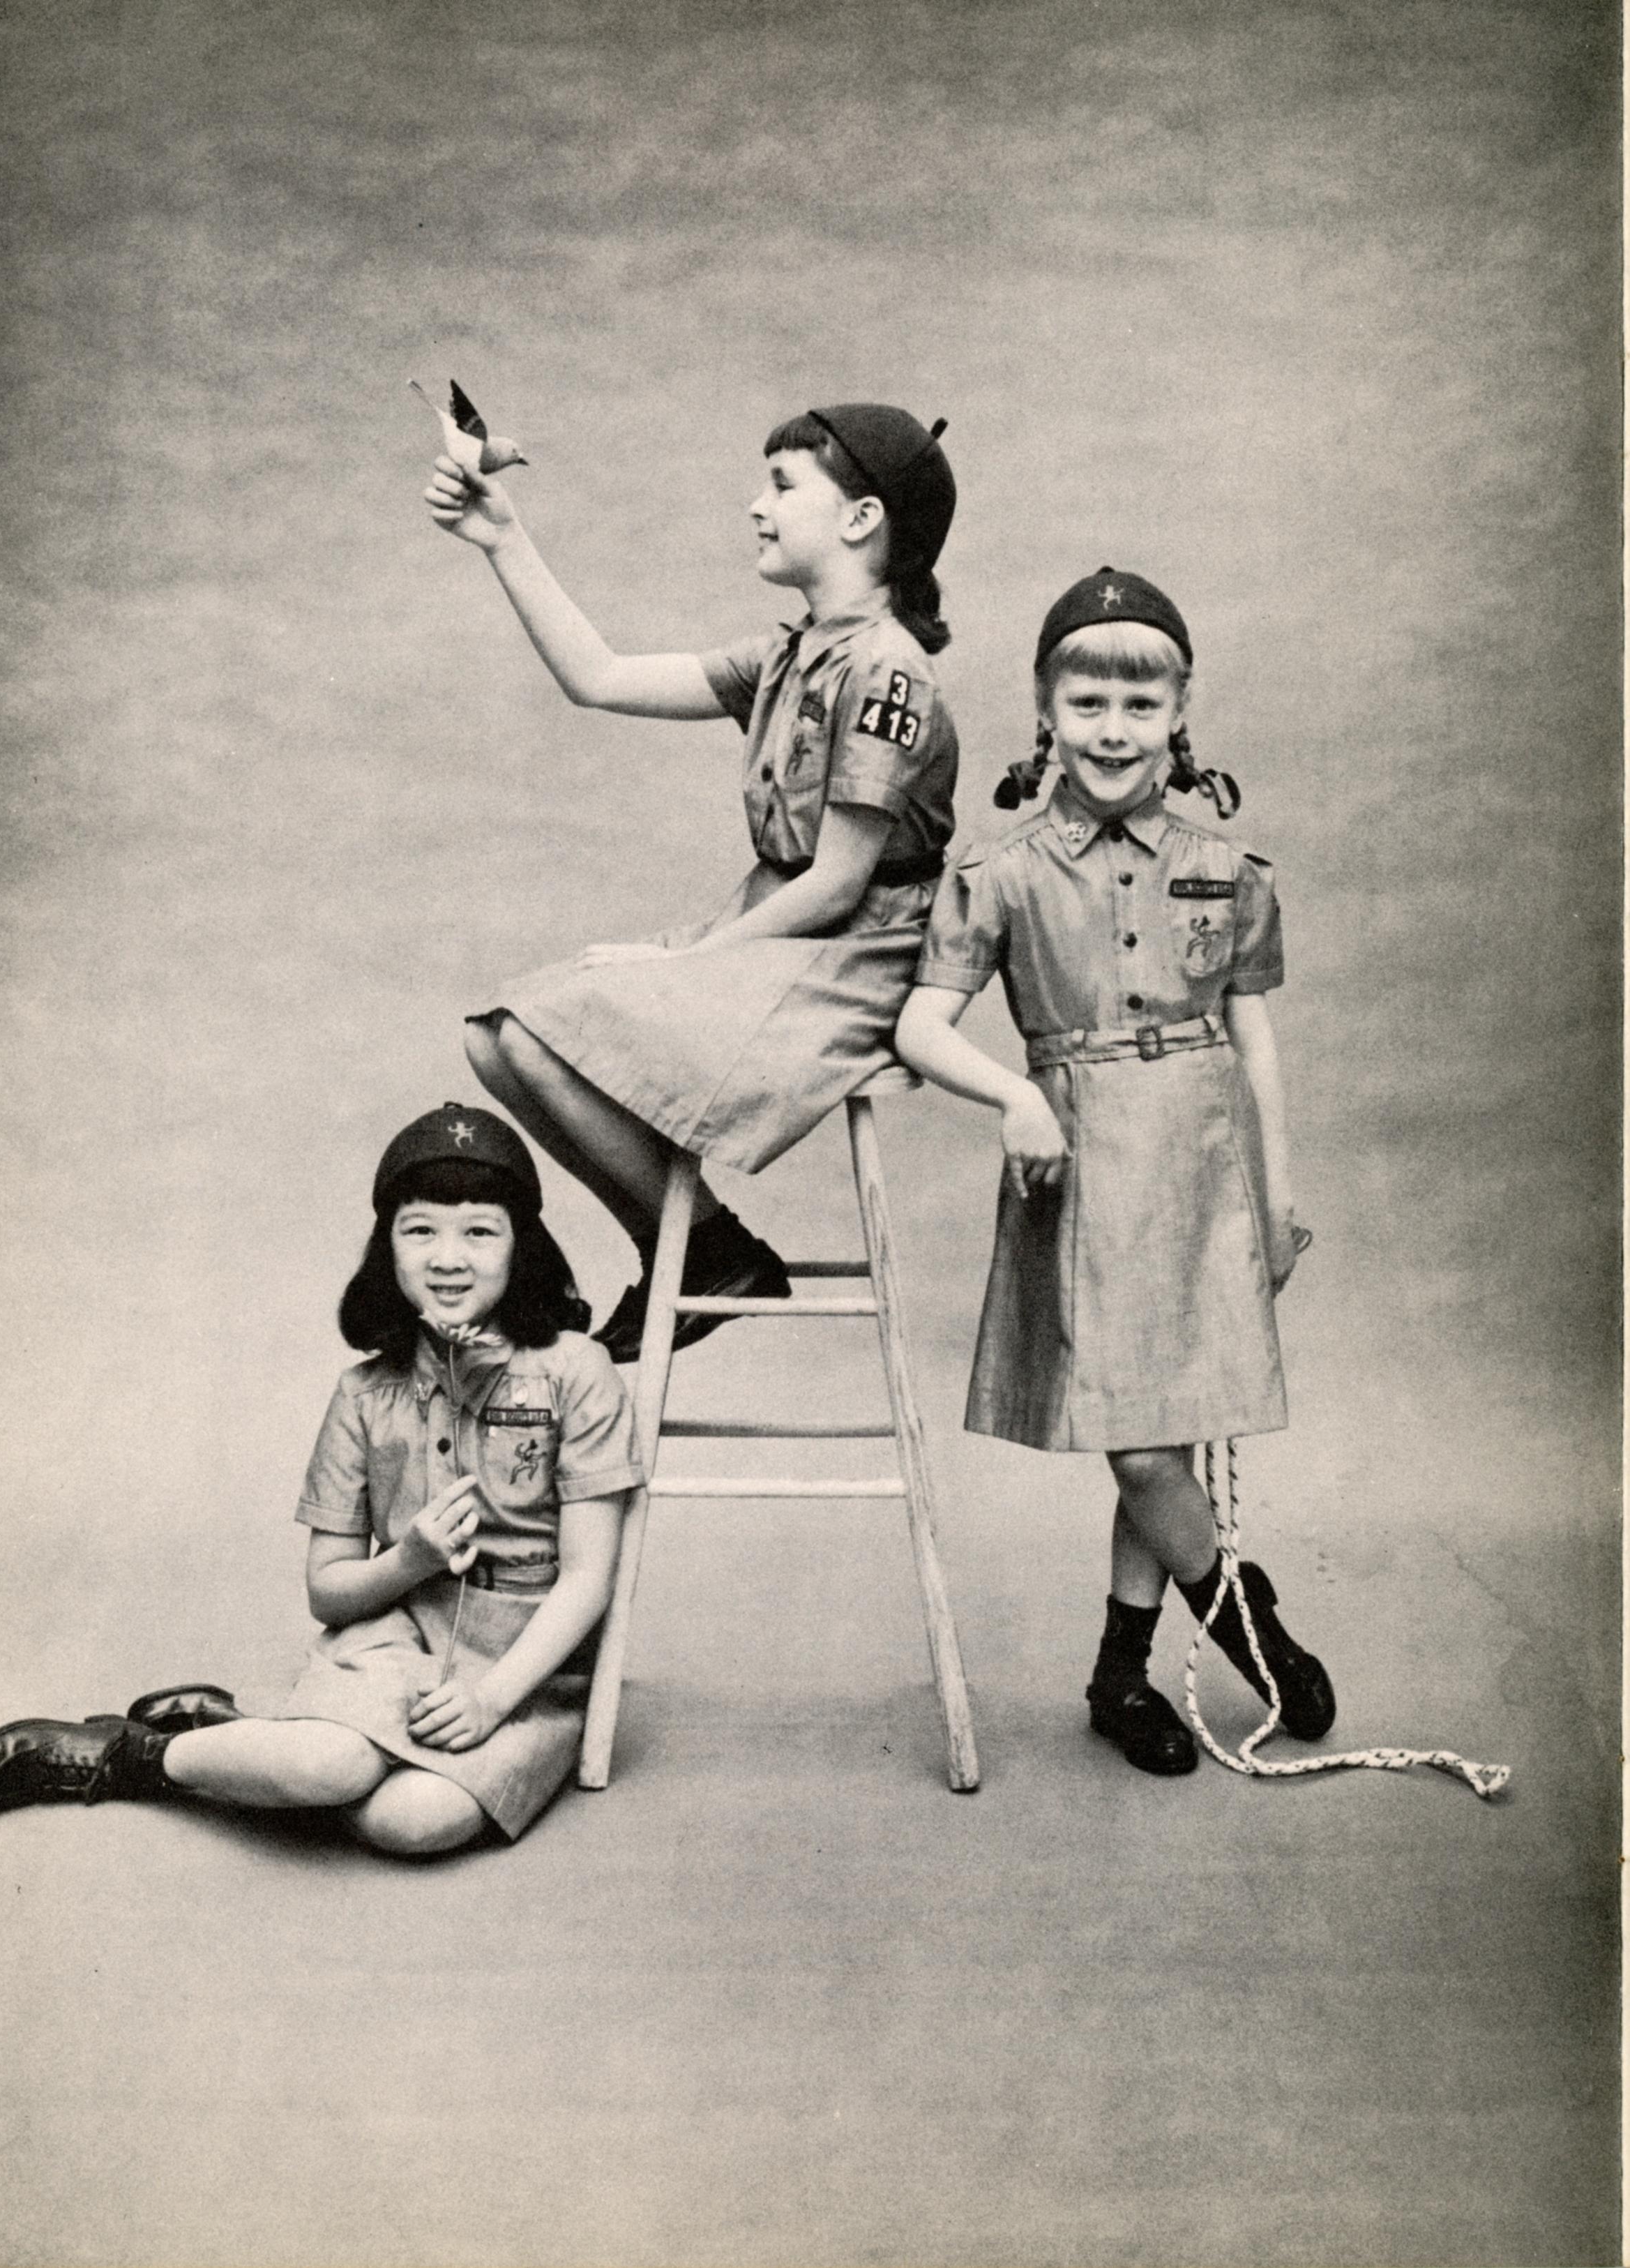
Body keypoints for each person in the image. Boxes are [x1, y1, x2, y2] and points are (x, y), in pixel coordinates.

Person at [894, 569, 1335, 1777]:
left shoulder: (1225, 865)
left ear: (1179, 714)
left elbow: (1252, 1035)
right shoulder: (1002, 872)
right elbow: (921, 1027)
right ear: (1045, 712)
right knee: (1140, 1447)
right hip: (1082, 1166)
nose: (1112, 730)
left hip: (1199, 1163)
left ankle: (1118, 1677)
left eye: (1140, 706)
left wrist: (1277, 1198)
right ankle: (1248, 1622)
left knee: (1160, 1442)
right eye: (1086, 703)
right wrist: (1017, 1094)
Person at [0, 1106, 645, 1853]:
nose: (449, 1257)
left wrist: (489, 1699)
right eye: (420, 1230)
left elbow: (588, 1577)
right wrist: (410, 1559)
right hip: (396, 1638)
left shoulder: (578, 1370)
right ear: (387, 1248)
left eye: (481, 1231)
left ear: (523, 1247)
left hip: (532, 1667)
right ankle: (134, 1757)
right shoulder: (365, 1392)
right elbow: (328, 1590)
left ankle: (257, 1738)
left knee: (415, 1821)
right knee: (332, 1765)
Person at [426, 403, 960, 1360]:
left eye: (782, 486)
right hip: (776, 928)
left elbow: (839, 886)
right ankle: (700, 1248)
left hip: (852, 955)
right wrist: (503, 539)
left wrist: (682, 962)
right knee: (495, 1039)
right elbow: (597, 676)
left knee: (541, 1035)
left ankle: (707, 1250)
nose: (756, 505)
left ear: (861, 518)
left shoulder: (887, 674)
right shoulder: (791, 654)